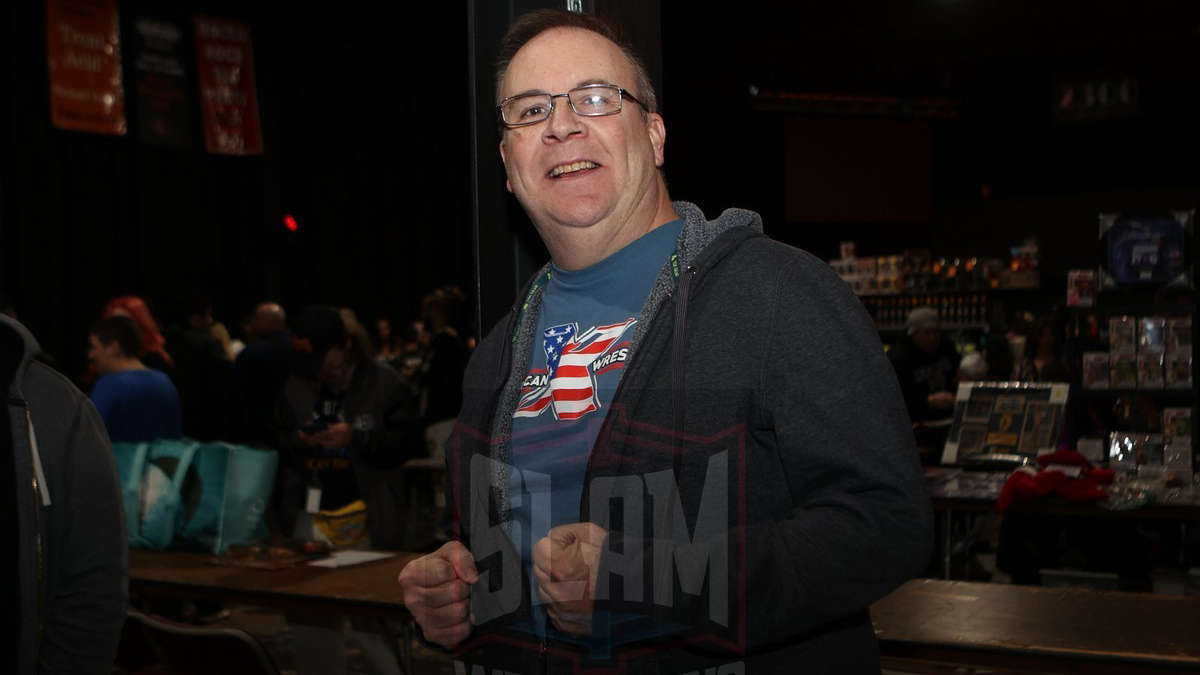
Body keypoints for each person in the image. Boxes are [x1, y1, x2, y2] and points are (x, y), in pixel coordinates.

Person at [398, 10, 932, 674]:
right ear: (508, 163)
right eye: (531, 111)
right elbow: (492, 555)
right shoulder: (497, 356)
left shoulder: (777, 295)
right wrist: (450, 591)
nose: (561, 125)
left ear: (653, 135)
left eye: (594, 98)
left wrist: (649, 582)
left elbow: (887, 524)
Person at [274, 306, 423, 675]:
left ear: (348, 346)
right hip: (310, 518)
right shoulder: (297, 383)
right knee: (310, 620)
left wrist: (355, 438)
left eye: (328, 362)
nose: (322, 373)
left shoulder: (385, 382)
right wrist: (298, 440)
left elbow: (408, 444)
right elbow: (276, 439)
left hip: (368, 520)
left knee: (371, 624)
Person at [3, 313, 127, 674]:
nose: (90, 355)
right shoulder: (160, 381)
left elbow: (92, 586)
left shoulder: (60, 404)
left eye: (94, 346)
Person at [87, 315, 183, 443]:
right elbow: (174, 438)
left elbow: (88, 438)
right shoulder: (164, 382)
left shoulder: (110, 384)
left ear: (113, 347)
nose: (91, 354)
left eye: (94, 347)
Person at [889, 305, 962, 450]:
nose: (933, 337)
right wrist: (928, 401)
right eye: (927, 332)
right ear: (914, 333)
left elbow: (957, 374)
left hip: (949, 423)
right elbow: (895, 405)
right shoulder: (898, 359)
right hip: (917, 432)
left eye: (936, 332)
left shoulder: (946, 347)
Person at [233, 301, 293, 447]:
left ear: (268, 321)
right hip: (292, 430)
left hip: (257, 433)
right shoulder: (300, 351)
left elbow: (236, 393)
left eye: (256, 319)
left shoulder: (252, 352)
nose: (253, 323)